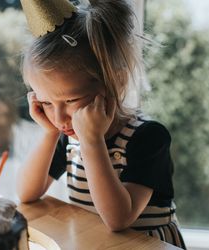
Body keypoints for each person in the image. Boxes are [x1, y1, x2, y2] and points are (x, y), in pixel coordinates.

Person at [17, 0, 186, 248]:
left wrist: (92, 141)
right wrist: (49, 133)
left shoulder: (148, 137)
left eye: (71, 99)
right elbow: (27, 193)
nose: (59, 117)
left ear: (114, 82)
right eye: (46, 102)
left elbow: (119, 218)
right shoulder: (68, 135)